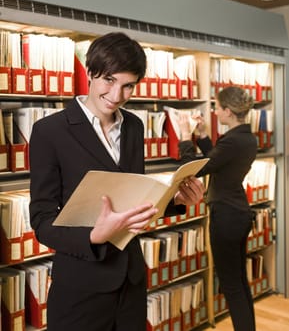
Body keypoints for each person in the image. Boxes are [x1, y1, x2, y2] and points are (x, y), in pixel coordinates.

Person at [29, 32, 205, 331]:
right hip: (81, 286)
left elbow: (133, 199)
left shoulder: (134, 126)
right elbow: (42, 222)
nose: (117, 95)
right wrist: (95, 235)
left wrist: (175, 201)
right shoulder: (50, 131)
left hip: (131, 280)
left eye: (128, 86)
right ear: (90, 72)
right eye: (108, 80)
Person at [178, 86, 257, 331]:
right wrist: (201, 136)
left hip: (226, 215)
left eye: (217, 107)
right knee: (240, 281)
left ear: (228, 111)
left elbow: (196, 168)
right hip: (239, 212)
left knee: (231, 284)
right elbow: (217, 161)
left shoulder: (233, 141)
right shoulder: (246, 137)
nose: (214, 111)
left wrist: (184, 137)